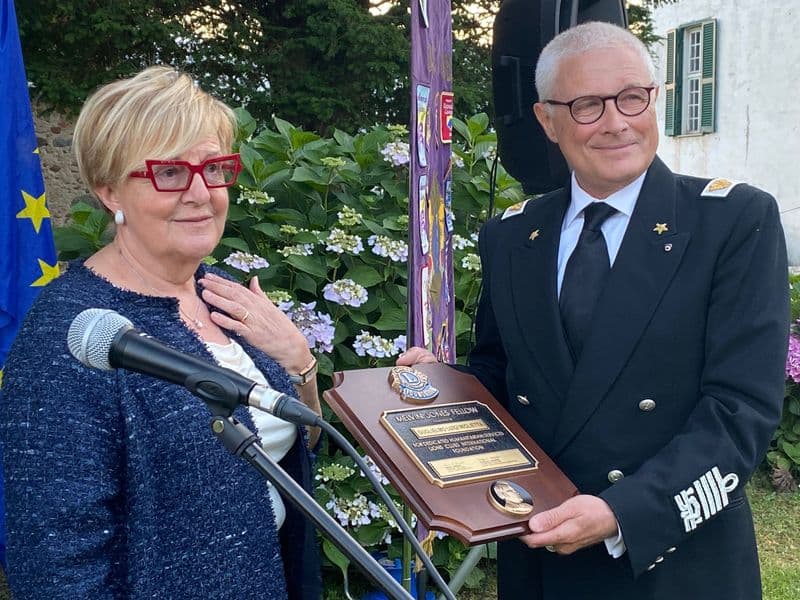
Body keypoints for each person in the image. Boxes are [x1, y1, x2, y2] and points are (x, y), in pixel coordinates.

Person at [399, 21, 788, 599]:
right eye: (586, 105)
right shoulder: (512, 235)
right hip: (542, 553)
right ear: (547, 121)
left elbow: (741, 412)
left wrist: (623, 513)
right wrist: (441, 390)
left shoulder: (732, 222)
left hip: (673, 558)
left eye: (632, 97)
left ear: (654, 99)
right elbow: (504, 374)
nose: (616, 122)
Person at [0, 66, 321, 599]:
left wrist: (299, 362)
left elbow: (296, 443)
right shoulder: (72, 334)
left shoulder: (226, 299)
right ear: (110, 192)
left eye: (214, 168)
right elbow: (54, 566)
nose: (201, 193)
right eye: (169, 172)